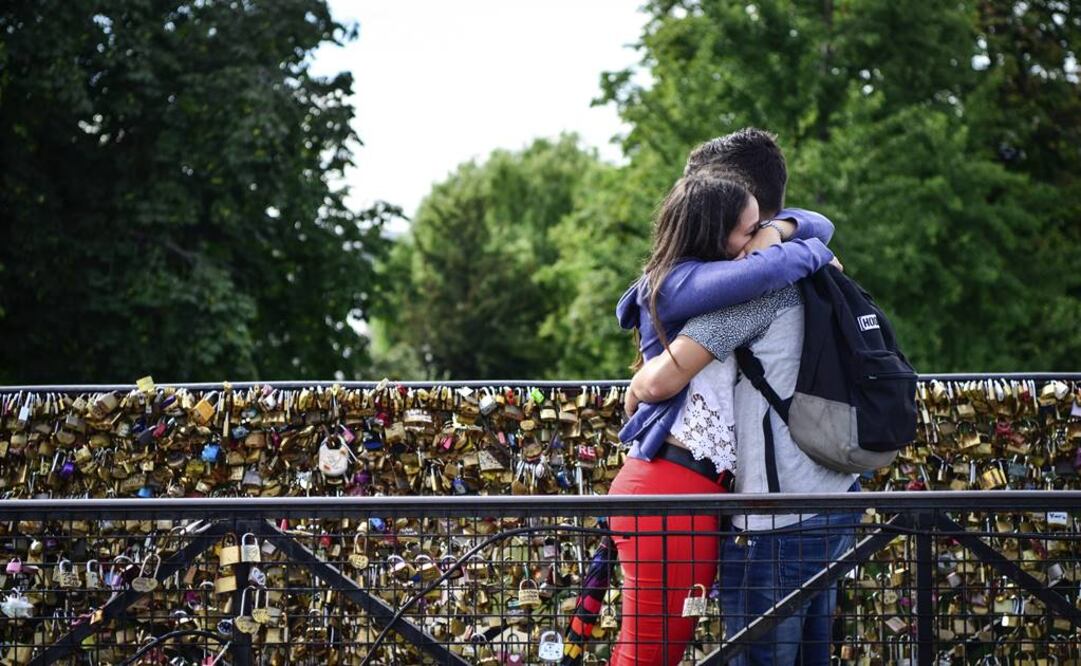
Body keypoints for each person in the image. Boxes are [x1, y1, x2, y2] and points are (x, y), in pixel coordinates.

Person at [627, 135, 862, 666]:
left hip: (775, 517)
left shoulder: (753, 291)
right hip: (837, 492)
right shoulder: (813, 275)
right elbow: (817, 225)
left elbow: (662, 379)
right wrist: (799, 236)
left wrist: (639, 387)